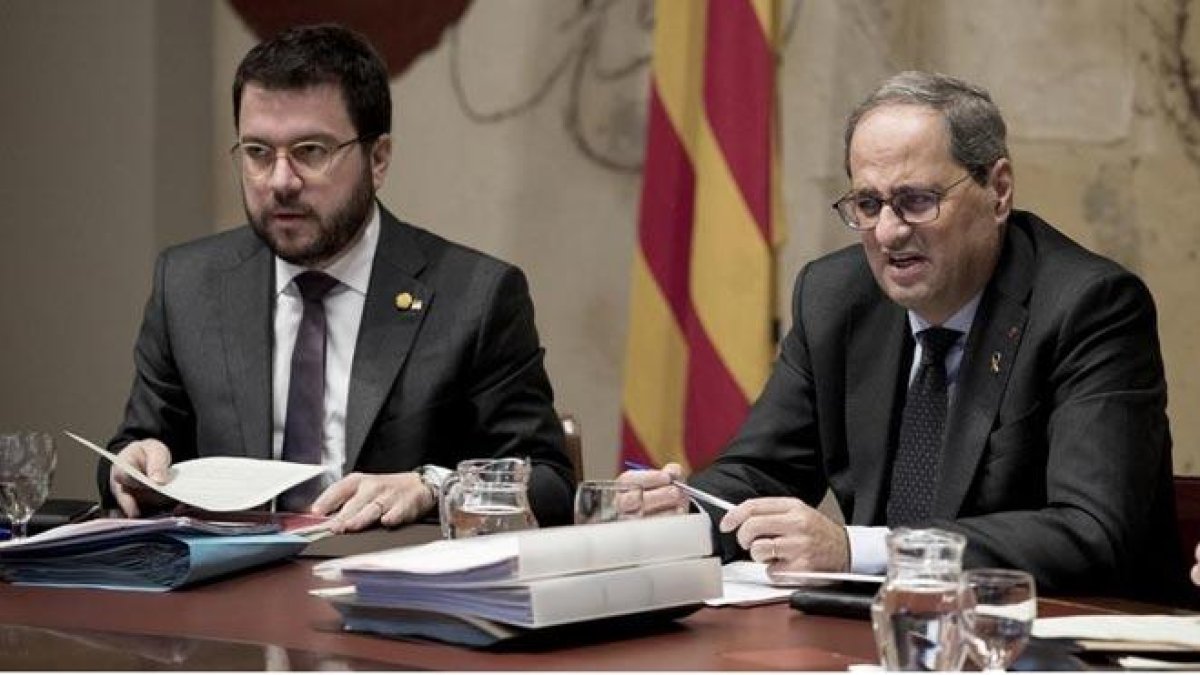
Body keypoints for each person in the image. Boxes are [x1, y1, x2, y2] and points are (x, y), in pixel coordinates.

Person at [625, 71, 1189, 604]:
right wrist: (687, 513)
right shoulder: (834, 297)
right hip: (872, 633)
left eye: (916, 200)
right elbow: (760, 471)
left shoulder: (1089, 307)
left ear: (998, 190)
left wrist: (860, 550)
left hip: (1062, 638)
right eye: (867, 205)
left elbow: (1090, 532)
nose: (889, 233)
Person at [99, 24, 574, 532]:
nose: (280, 181)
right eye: (258, 153)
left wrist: (432, 486)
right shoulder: (188, 284)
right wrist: (130, 466)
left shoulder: (476, 296)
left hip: (394, 595)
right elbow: (138, 445)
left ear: (378, 159)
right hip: (228, 594)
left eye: (311, 151)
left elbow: (548, 483)